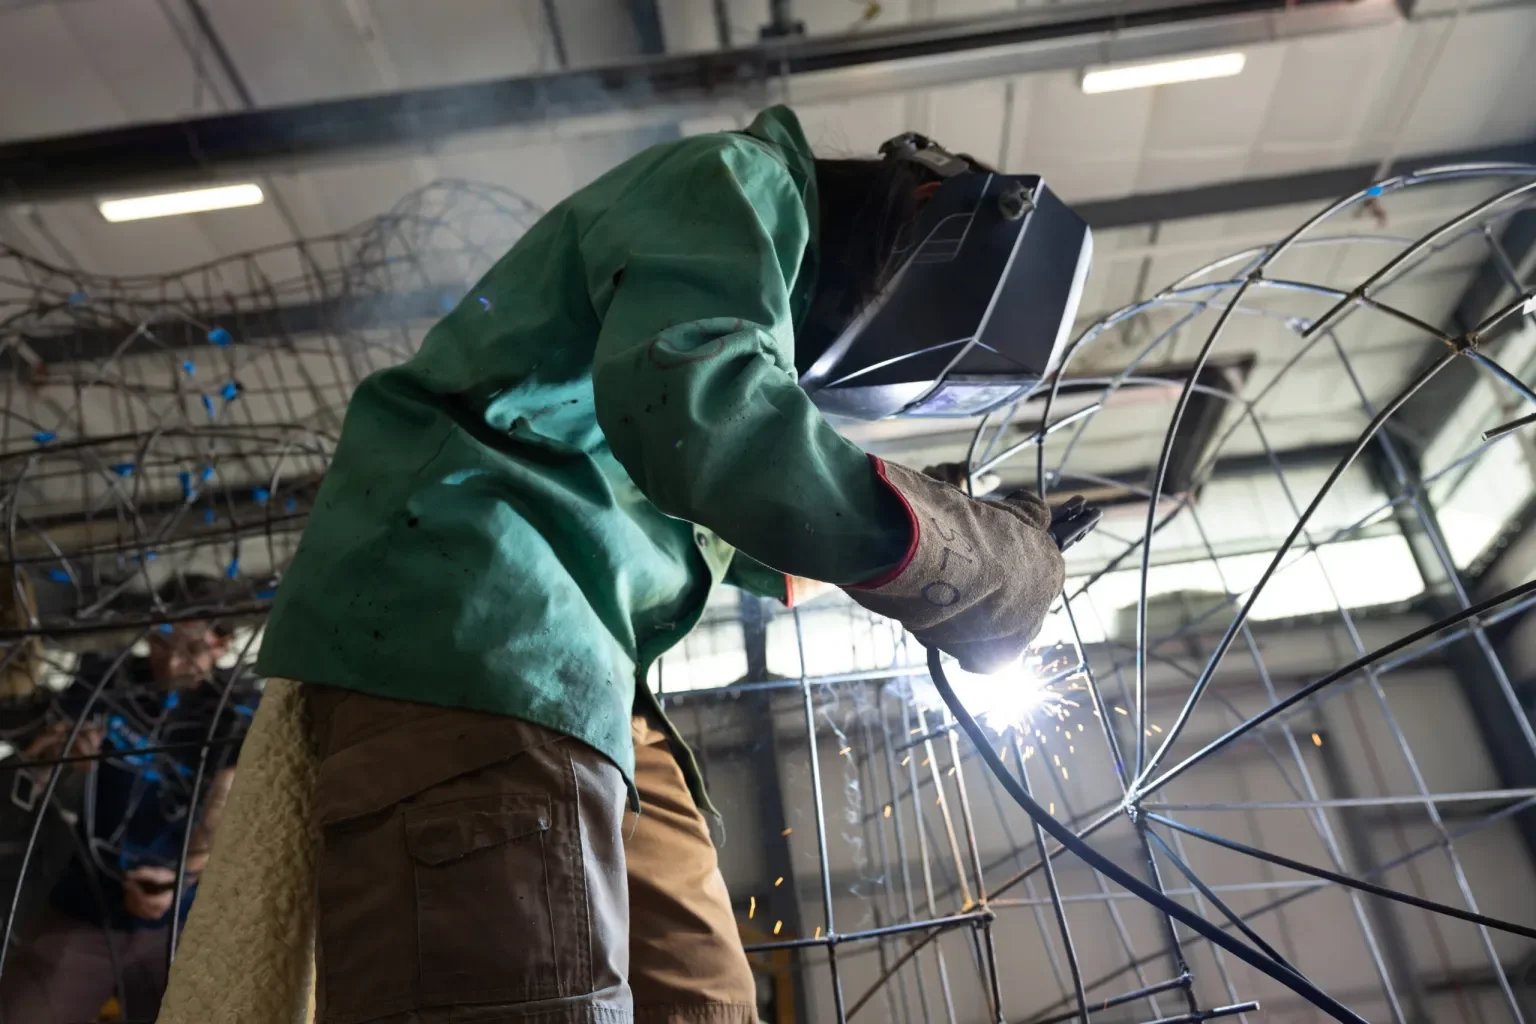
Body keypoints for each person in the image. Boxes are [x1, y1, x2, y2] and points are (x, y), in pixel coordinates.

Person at [179, 106, 1082, 1024]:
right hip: (478, 633)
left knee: (707, 1001)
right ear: (926, 210)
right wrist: (975, 564)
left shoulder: (727, 335)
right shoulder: (738, 183)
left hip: (588, 678)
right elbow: (710, 421)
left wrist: (953, 521)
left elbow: (756, 524)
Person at [0, 578, 258, 1023]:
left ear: (221, 644)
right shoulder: (103, 679)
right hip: (86, 906)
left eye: (190, 648)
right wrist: (61, 760)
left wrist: (182, 878)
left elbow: (222, 814)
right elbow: (30, 775)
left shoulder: (238, 714)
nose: (171, 661)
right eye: (161, 642)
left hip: (185, 923)